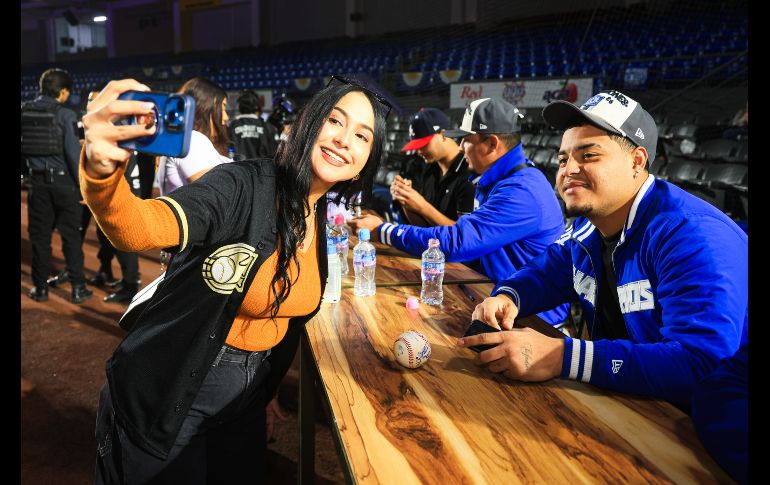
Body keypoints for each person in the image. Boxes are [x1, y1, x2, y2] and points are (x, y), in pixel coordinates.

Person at [81, 76, 387, 483]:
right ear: (309, 123)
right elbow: (140, 227)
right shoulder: (240, 184)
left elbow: (285, 319)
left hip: (243, 405)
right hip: (166, 394)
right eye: (335, 120)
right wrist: (102, 172)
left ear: (368, 157)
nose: (345, 139)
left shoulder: (317, 214)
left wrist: (266, 392)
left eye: (362, 135)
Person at [458, 90, 747, 414]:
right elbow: (546, 273)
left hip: (707, 427)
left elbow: (701, 364)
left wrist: (563, 356)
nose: (568, 169)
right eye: (563, 158)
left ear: (637, 161)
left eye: (588, 155)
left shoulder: (692, 235)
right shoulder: (592, 226)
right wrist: (508, 297)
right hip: (636, 404)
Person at [350, 97, 569, 326]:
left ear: (492, 144)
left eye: (466, 140)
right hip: (499, 299)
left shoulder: (522, 190)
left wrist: (384, 230)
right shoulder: (503, 178)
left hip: (535, 321)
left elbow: (457, 242)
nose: (461, 147)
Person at [22, 67, 92, 304]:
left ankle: (40, 289)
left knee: (40, 239)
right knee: (71, 238)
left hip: (37, 184)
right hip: (64, 185)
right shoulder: (66, 115)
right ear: (62, 92)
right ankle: (78, 288)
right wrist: (82, 188)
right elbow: (74, 155)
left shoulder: (24, 111)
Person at [389, 107, 474, 226]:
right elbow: (425, 227)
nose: (418, 151)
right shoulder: (429, 169)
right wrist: (406, 199)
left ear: (443, 134)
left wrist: (422, 206)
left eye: (423, 144)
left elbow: (464, 235)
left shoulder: (469, 171)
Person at [155, 77, 232, 196]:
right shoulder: (192, 140)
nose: (226, 117)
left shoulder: (190, 140)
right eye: (223, 107)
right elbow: (220, 195)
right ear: (206, 107)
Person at [228, 89, 279, 160]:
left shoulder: (232, 126)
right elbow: (273, 153)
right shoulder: (267, 127)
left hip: (238, 169)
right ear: (256, 106)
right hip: (261, 169)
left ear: (239, 107)